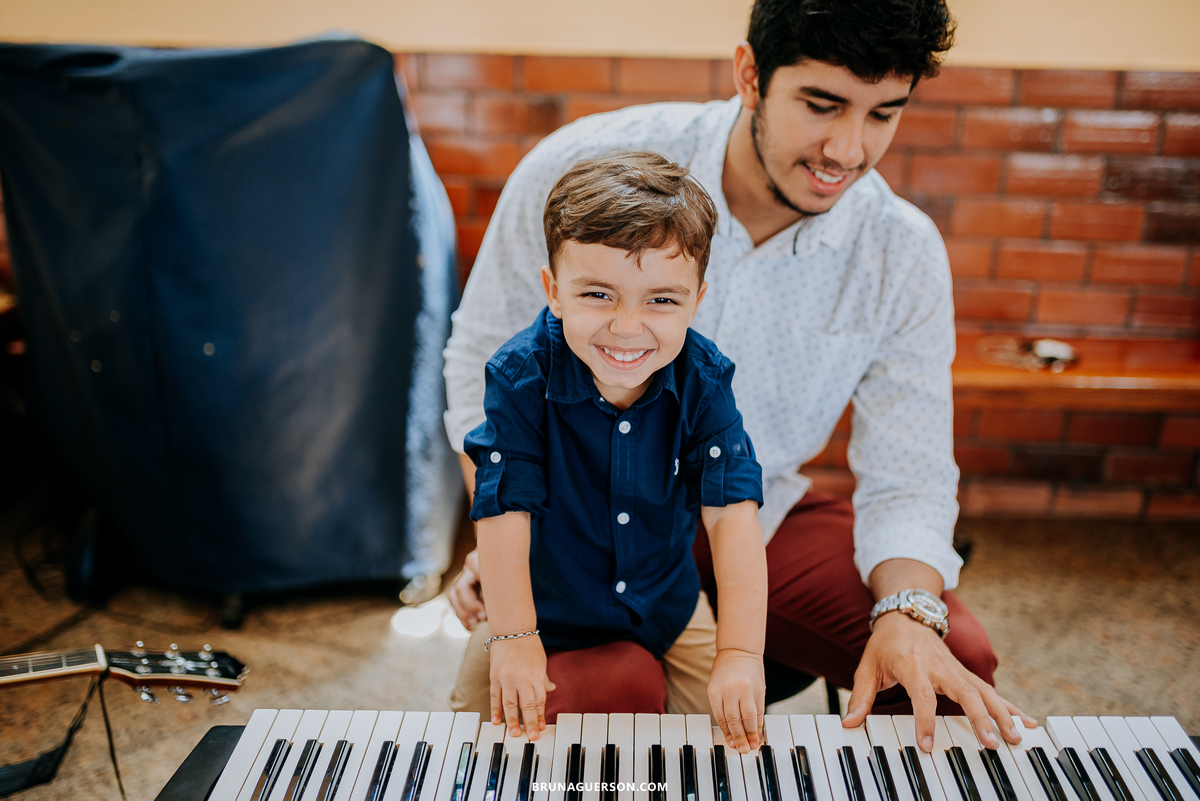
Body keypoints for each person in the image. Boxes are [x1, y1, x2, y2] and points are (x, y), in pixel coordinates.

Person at [443, 0, 1037, 754]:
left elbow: (908, 473)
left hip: (760, 510)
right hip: (579, 505)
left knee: (955, 662)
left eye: (884, 113)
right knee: (611, 689)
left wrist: (908, 611)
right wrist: (513, 514)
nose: (847, 150)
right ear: (751, 74)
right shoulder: (576, 169)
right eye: (821, 104)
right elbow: (480, 365)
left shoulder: (901, 251)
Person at [463, 152, 768, 752]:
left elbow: (733, 516)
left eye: (661, 300)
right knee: (478, 740)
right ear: (554, 291)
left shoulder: (704, 378)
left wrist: (740, 654)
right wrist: (515, 638)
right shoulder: (521, 376)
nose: (628, 328)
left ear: (697, 300)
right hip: (544, 607)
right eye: (598, 294)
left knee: (724, 742)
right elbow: (503, 510)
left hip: (666, 605)